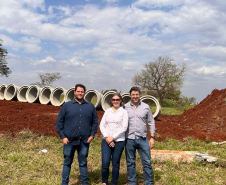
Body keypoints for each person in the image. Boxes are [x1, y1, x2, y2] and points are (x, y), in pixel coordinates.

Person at [56, 84, 98, 185]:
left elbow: (95, 122)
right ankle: (64, 183)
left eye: (82, 92)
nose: (80, 93)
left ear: (84, 93)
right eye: (78, 91)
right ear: (74, 92)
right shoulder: (67, 105)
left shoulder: (90, 106)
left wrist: (92, 135)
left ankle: (84, 183)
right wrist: (63, 137)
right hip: (69, 141)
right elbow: (59, 122)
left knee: (83, 163)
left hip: (84, 141)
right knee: (67, 163)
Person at [124, 86, 155, 185]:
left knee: (147, 163)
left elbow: (151, 121)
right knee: (130, 163)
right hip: (129, 139)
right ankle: (132, 182)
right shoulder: (125, 107)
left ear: (139, 95)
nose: (135, 96)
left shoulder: (145, 107)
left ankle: (148, 182)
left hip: (142, 139)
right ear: (130, 95)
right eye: (133, 94)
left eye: (137, 94)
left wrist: (152, 137)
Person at [100, 92, 128, 185]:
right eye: (113, 100)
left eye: (117, 99)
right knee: (105, 163)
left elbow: (124, 127)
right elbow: (102, 125)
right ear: (111, 101)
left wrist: (113, 137)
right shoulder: (107, 111)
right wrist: (107, 138)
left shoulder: (124, 112)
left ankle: (113, 182)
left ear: (121, 101)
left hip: (119, 141)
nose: (115, 101)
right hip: (106, 141)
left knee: (115, 163)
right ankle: (104, 182)